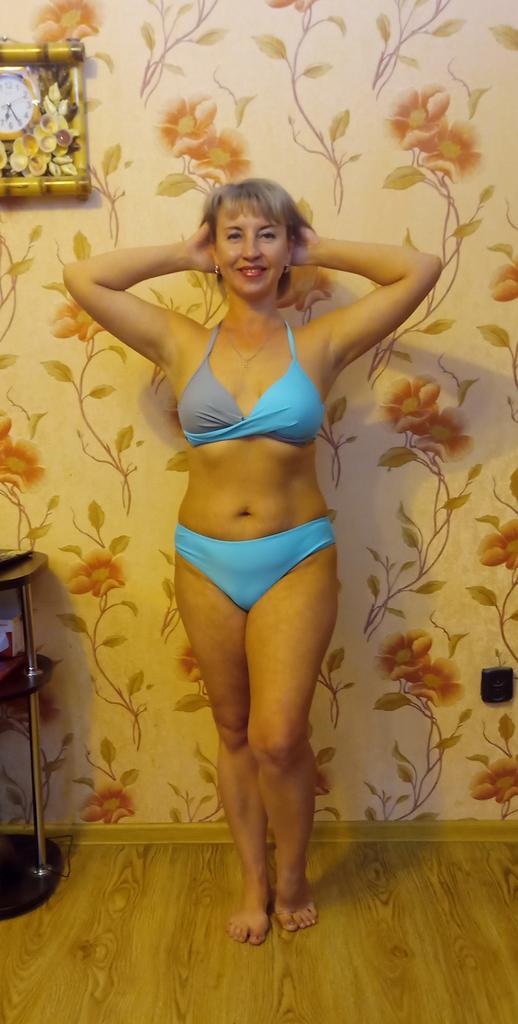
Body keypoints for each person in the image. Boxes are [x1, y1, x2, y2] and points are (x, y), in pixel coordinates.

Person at [63, 177, 441, 946]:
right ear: (213, 247)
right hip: (204, 558)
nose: (250, 251)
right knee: (232, 729)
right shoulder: (179, 340)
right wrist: (185, 253)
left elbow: (421, 268)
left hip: (295, 556)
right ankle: (253, 881)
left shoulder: (321, 342)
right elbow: (83, 277)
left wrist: (314, 244)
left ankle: (293, 874)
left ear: (288, 247)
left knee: (277, 736)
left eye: (267, 234)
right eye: (233, 234)